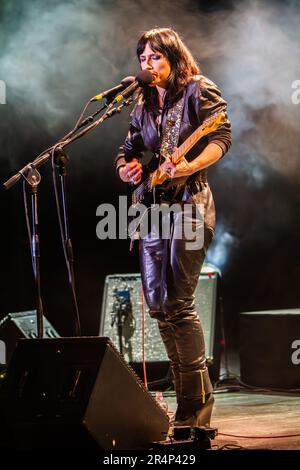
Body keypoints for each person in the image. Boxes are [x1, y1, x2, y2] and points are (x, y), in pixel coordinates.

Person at [115, 27, 231, 427]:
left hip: (190, 207)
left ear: (174, 57)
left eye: (156, 58)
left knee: (179, 304)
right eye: (143, 59)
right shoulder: (143, 101)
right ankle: (188, 400)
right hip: (152, 210)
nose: (149, 65)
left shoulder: (199, 89)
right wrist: (128, 169)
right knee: (159, 306)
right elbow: (128, 149)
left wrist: (186, 165)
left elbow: (220, 137)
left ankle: (194, 406)